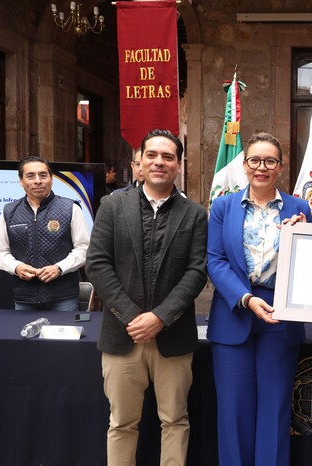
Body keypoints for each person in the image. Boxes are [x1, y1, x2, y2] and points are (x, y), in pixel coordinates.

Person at [85, 129, 208, 465]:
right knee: (122, 423)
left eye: (168, 157)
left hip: (173, 337)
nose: (159, 162)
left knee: (175, 421)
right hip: (122, 336)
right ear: (139, 163)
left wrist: (160, 318)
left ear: (179, 165)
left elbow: (197, 272)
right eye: (152, 155)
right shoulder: (111, 206)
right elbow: (97, 264)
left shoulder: (195, 214)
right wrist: (132, 316)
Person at [207, 132, 312, 466]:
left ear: (281, 167)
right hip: (234, 312)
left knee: (274, 409)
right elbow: (215, 260)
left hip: (282, 314)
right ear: (244, 164)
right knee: (233, 413)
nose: (262, 167)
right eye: (255, 160)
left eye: (270, 161)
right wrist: (246, 298)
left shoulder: (300, 207)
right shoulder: (223, 206)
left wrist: (302, 235)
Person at [0, 155, 90, 312]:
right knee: (24, 336)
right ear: (21, 181)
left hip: (63, 298)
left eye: (43, 175)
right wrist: (16, 267)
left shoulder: (70, 208)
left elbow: (84, 249)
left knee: (63, 336)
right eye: (30, 176)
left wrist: (59, 268)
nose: (38, 180)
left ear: (51, 179)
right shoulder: (9, 211)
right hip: (24, 298)